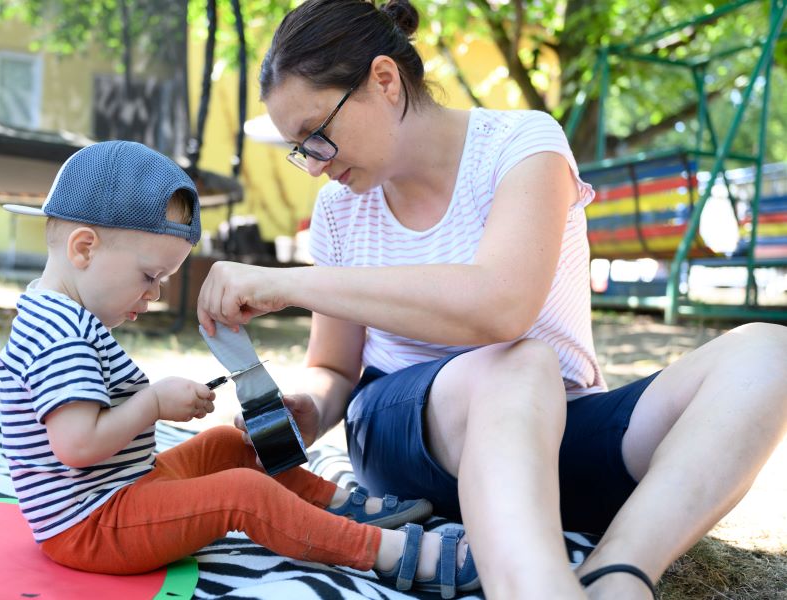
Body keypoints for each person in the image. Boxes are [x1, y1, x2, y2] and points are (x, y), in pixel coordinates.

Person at [195, 1, 787, 599]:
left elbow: (503, 304)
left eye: (317, 136)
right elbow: (334, 366)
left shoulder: (521, 144)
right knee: (517, 363)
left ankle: (619, 573)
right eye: (302, 149)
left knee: (767, 351)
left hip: (551, 428)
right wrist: (311, 407)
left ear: (384, 81)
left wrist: (289, 282)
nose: (315, 166)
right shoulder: (340, 208)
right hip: (408, 435)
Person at [0, 140, 480, 598]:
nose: (155, 294)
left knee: (230, 447)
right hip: (93, 525)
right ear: (84, 248)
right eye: (149, 276)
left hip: (123, 487)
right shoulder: (58, 334)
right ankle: (384, 553)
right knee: (242, 493)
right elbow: (78, 446)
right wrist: (154, 403)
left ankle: (328, 503)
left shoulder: (62, 317)